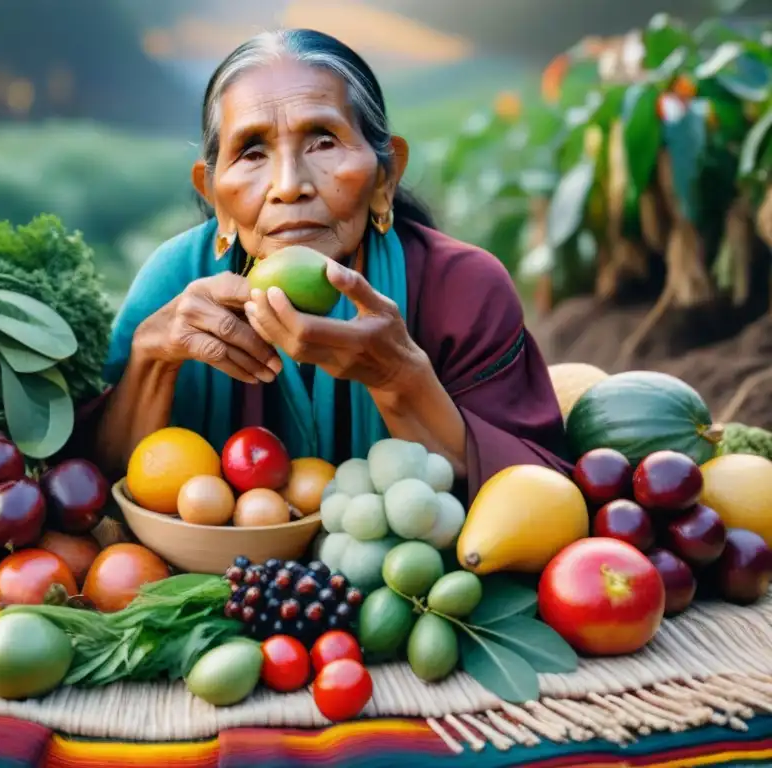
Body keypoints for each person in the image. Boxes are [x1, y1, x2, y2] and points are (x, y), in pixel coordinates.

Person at [82, 28, 570, 501]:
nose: (289, 184)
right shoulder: (174, 283)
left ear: (385, 174)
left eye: (323, 142)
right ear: (214, 195)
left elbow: (540, 501)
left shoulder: (462, 288)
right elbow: (89, 496)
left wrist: (401, 379)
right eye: (252, 152)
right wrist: (152, 357)